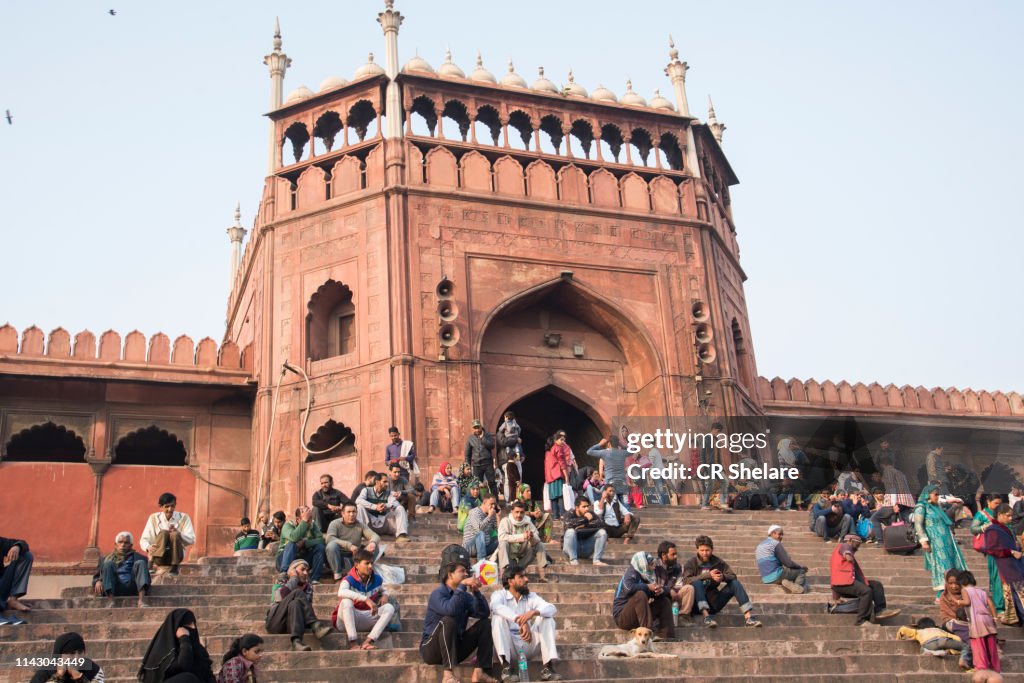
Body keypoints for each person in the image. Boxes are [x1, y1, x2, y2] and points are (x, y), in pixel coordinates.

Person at [420, 562, 498, 683]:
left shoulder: (465, 596)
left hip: (455, 649)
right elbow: (450, 610)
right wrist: (462, 586)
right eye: (462, 571)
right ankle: (447, 674)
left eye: (466, 572)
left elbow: (483, 613)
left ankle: (480, 671)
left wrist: (476, 593)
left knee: (485, 624)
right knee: (448, 621)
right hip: (431, 650)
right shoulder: (438, 593)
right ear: (450, 575)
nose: (466, 574)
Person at [490, 564, 562, 682]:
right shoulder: (499, 595)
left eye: (526, 576)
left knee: (546, 618)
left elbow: (552, 608)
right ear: (511, 581)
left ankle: (548, 669)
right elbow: (496, 606)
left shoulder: (530, 596)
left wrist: (534, 612)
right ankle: (506, 669)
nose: (526, 579)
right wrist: (520, 621)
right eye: (521, 577)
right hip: (509, 646)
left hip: (527, 644)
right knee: (497, 618)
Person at [682, 535, 761, 628]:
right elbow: (686, 580)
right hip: (697, 605)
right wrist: (708, 575)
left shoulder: (717, 562)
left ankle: (748, 618)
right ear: (697, 550)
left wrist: (722, 577)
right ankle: (707, 618)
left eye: (707, 550)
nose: (705, 553)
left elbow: (733, 576)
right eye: (702, 550)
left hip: (714, 602)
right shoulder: (691, 563)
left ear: (712, 549)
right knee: (696, 582)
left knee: (735, 583)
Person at [829, 534, 900, 626]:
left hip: (844, 582)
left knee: (876, 585)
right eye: (857, 545)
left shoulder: (839, 551)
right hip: (843, 584)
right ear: (850, 540)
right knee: (866, 592)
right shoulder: (845, 545)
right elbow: (846, 553)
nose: (857, 548)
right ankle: (861, 620)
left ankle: (880, 610)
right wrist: (849, 557)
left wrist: (836, 598)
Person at [335, 549, 397, 650]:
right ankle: (353, 643)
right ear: (356, 564)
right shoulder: (349, 579)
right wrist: (366, 599)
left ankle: (368, 641)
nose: (370, 566)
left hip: (367, 617)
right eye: (366, 563)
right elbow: (341, 592)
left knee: (389, 608)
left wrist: (385, 595)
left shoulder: (376, 579)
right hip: (347, 620)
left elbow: (384, 590)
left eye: (371, 563)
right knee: (346, 601)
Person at [266, 559, 333, 651]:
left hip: (292, 624)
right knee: (297, 592)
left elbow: (305, 611)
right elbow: (279, 598)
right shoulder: (281, 580)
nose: (306, 573)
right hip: (275, 623)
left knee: (296, 603)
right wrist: (294, 579)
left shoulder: (308, 586)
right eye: (302, 569)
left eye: (307, 570)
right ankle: (316, 626)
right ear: (293, 570)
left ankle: (296, 641)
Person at [914, 484, 968, 599]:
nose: (937, 497)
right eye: (935, 495)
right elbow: (918, 524)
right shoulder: (921, 507)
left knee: (952, 564)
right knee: (941, 566)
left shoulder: (936, 506)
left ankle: (955, 589)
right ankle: (942, 592)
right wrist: (923, 541)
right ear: (928, 494)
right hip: (935, 541)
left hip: (946, 540)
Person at [138, 608, 215, 683]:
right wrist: (184, 639)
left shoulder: (198, 649)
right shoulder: (162, 652)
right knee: (188, 678)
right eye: (188, 624)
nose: (193, 627)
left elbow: (208, 675)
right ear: (177, 628)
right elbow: (184, 666)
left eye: (193, 623)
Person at [613, 551, 676, 640]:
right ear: (643, 564)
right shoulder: (630, 574)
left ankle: (667, 635)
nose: (653, 567)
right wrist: (647, 586)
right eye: (650, 564)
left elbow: (653, 591)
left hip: (638, 616)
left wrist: (661, 590)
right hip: (622, 618)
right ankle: (647, 634)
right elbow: (628, 589)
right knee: (640, 594)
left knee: (664, 601)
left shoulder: (645, 576)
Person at [982, 503, 1024, 626]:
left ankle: (1013, 618)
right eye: (1008, 516)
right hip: (1006, 565)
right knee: (1017, 592)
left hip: (1014, 564)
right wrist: (1010, 552)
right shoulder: (992, 529)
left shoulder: (1004, 528)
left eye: (1011, 516)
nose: (1011, 519)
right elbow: (991, 549)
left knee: (1015, 593)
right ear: (999, 515)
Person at [140, 492, 195, 575]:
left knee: (175, 534)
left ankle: (174, 567)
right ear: (160, 507)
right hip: (159, 557)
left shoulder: (184, 517)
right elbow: (144, 539)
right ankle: (151, 562)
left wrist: (179, 533)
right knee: (163, 532)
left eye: (172, 506)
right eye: (167, 506)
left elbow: (191, 539)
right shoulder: (153, 518)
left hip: (176, 556)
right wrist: (148, 547)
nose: (170, 509)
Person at [91, 530, 151, 608]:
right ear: (115, 544)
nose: (123, 545)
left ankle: (141, 601)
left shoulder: (141, 558)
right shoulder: (105, 559)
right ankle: (111, 601)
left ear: (131, 545)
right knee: (108, 564)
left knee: (141, 562)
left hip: (134, 586)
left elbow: (147, 578)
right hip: (114, 586)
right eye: (120, 542)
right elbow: (97, 576)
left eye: (126, 543)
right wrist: (98, 581)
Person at [325, 502, 382, 580]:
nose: (351, 514)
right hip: (339, 555)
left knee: (375, 547)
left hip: (354, 555)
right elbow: (329, 538)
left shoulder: (360, 525)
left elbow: (375, 536)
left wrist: (372, 543)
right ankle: (338, 575)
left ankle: (363, 572)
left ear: (357, 513)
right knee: (331, 546)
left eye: (354, 512)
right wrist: (349, 546)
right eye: (348, 512)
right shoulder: (335, 523)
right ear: (342, 513)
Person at [956, 570, 1000, 672]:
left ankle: (981, 667)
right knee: (991, 645)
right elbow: (991, 604)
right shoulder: (982, 591)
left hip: (977, 621)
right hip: (988, 619)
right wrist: (995, 617)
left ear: (962, 582)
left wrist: (958, 601)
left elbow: (967, 602)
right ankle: (995, 667)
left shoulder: (965, 590)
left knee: (978, 645)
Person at [972, 494, 1006, 615]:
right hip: (993, 550)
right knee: (997, 578)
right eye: (996, 503)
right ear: (988, 502)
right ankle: (999, 606)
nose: (998, 506)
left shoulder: (1002, 514)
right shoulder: (981, 514)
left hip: (1005, 549)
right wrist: (986, 526)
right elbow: (973, 528)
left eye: (999, 503)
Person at [497, 501, 548, 581]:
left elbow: (537, 539)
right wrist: (522, 536)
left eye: (521, 512)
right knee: (503, 543)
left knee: (540, 545)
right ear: (512, 512)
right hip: (509, 559)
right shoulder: (505, 521)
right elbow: (501, 537)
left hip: (523, 559)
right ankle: (503, 576)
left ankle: (542, 577)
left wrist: (531, 536)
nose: (519, 515)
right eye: (517, 512)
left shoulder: (527, 521)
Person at [29, 632, 105, 683]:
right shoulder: (45, 673)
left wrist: (79, 678)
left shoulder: (94, 670)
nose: (76, 658)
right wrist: (58, 677)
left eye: (80, 652)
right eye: (71, 653)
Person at [276, 506, 326, 583]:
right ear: (298, 519)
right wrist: (304, 522)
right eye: (306, 519)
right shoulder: (288, 525)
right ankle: (284, 574)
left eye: (310, 518)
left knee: (320, 547)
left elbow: (321, 540)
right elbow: (293, 537)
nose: (309, 522)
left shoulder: (312, 524)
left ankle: (314, 578)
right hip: (284, 559)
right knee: (292, 543)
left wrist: (305, 543)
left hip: (302, 559)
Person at [356, 472, 410, 543]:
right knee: (359, 507)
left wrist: (385, 505)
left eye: (387, 482)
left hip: (385, 524)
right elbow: (358, 500)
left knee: (400, 508)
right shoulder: (366, 490)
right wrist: (375, 507)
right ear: (377, 482)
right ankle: (361, 534)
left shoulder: (389, 492)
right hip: (369, 526)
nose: (387, 484)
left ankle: (401, 535)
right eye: (384, 482)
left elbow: (395, 503)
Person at [938, 568, 974, 670]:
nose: (954, 586)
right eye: (950, 583)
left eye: (957, 583)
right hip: (951, 623)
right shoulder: (944, 596)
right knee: (971, 635)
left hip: (967, 624)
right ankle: (966, 656)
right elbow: (945, 615)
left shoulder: (968, 595)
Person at [755, 525, 808, 594]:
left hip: (766, 579)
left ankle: (786, 582)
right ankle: (797, 588)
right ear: (773, 533)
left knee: (786, 569)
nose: (781, 537)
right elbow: (788, 563)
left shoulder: (760, 545)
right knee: (801, 571)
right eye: (779, 534)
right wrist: (800, 567)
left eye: (782, 535)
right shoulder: (775, 543)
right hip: (776, 576)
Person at [652, 541, 695, 623]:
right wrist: (668, 590)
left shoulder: (677, 566)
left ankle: (683, 616)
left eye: (676, 554)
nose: (676, 556)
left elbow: (679, 585)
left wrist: (671, 591)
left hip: (673, 597)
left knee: (689, 588)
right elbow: (653, 585)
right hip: (658, 597)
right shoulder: (654, 566)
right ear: (664, 556)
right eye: (673, 554)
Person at [562, 497, 608, 566]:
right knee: (570, 531)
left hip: (586, 548)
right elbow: (568, 524)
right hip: (571, 548)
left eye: (587, 506)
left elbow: (601, 523)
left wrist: (585, 524)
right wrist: (585, 519)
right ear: (577, 507)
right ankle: (573, 560)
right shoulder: (569, 514)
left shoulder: (590, 513)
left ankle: (596, 560)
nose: (587, 509)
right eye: (584, 507)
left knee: (602, 532)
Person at [586, 435, 630, 507]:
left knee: (613, 505)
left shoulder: (604, 452)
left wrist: (599, 444)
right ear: (618, 443)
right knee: (625, 504)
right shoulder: (622, 453)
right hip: (622, 482)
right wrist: (622, 446)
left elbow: (589, 452)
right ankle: (627, 516)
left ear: (609, 443)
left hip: (610, 483)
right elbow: (633, 450)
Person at [896, 617, 964, 658]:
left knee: (922, 649)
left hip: (930, 643)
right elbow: (957, 638)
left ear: (919, 627)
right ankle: (950, 651)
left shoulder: (919, 631)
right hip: (945, 640)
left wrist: (898, 639)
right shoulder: (940, 630)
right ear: (934, 625)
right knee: (964, 648)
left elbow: (903, 629)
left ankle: (931, 651)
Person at [698, 423, 729, 510]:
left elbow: (718, 455)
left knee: (725, 481)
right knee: (710, 485)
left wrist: (722, 467)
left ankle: (723, 503)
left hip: (717, 466)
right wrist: (703, 464)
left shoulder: (716, 439)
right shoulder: (706, 438)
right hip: (710, 466)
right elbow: (702, 452)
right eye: (718, 431)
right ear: (714, 429)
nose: (718, 433)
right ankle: (704, 505)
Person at [465, 419, 498, 498]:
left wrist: (482, 438)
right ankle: (478, 502)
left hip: (487, 464)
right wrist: (468, 465)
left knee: (491, 483)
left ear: (481, 427)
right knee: (476, 484)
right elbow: (467, 453)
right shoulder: (470, 438)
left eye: (478, 427)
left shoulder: (487, 435)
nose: (476, 429)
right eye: (475, 428)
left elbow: (492, 445)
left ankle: (495, 502)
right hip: (476, 465)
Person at [496, 411, 524, 503]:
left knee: (518, 479)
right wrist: (516, 439)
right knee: (508, 480)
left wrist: (522, 454)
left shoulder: (514, 428)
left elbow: (518, 444)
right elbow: (503, 442)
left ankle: (518, 499)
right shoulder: (500, 433)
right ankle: (509, 501)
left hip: (517, 457)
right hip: (506, 459)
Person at [545, 431, 573, 520]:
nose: (563, 442)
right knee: (561, 495)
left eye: (564, 440)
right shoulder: (558, 448)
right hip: (558, 475)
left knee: (553, 497)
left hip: (550, 477)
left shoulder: (548, 451)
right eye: (561, 440)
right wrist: (567, 477)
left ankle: (555, 516)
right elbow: (562, 464)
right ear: (555, 440)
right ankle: (562, 514)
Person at [463, 494, 499, 560]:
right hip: (470, 547)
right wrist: (489, 517)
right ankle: (481, 561)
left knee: (499, 538)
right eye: (491, 504)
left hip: (484, 547)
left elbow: (497, 530)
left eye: (494, 504)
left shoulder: (491, 514)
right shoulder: (474, 512)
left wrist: (498, 516)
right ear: (484, 503)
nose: (493, 506)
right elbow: (479, 528)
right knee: (480, 533)